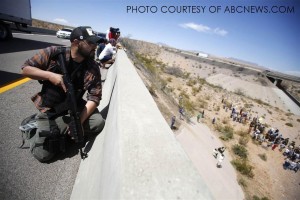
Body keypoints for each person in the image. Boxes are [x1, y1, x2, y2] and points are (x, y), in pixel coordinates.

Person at [21, 26, 105, 162]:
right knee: (43, 155)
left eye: (95, 43)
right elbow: (26, 69)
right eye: (90, 43)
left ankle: (62, 130)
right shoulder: (54, 53)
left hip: (74, 107)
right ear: (76, 42)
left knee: (98, 122)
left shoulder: (92, 66)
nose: (95, 46)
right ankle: (33, 129)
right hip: (51, 109)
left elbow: (95, 97)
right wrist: (49, 75)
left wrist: (78, 122)